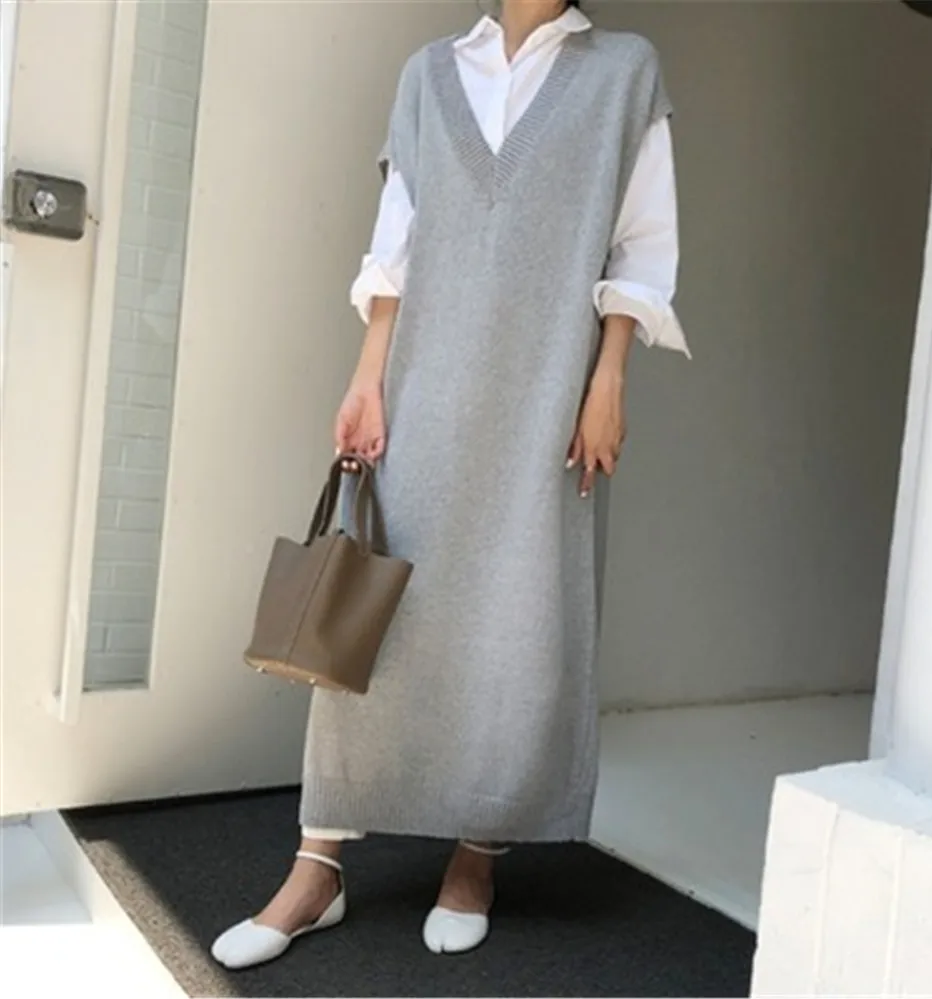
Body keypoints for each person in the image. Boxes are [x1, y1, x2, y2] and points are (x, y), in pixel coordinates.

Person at [212, 0, 688, 968]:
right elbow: (397, 239)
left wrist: (608, 380)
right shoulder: (430, 74)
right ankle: (317, 866)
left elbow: (641, 242)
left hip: (546, 393)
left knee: (517, 615)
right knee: (377, 614)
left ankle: (476, 855)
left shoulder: (623, 72)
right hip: (423, 383)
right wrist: (367, 377)